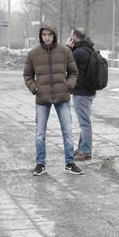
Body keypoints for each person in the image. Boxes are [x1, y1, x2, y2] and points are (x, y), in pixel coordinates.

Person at [24, 22, 83, 176]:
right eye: (44, 35)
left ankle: (70, 163)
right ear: (40, 36)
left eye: (50, 34)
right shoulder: (33, 54)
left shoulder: (65, 51)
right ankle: (40, 164)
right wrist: (34, 88)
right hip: (42, 98)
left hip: (62, 97)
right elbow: (27, 75)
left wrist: (68, 86)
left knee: (67, 131)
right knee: (40, 133)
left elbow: (74, 72)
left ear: (54, 35)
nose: (47, 38)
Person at [68, 27, 97, 161]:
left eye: (71, 35)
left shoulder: (79, 52)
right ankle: (82, 148)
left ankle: (85, 151)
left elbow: (62, 60)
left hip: (82, 92)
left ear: (75, 37)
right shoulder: (88, 49)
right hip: (88, 91)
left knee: (84, 123)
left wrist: (68, 47)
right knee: (84, 121)